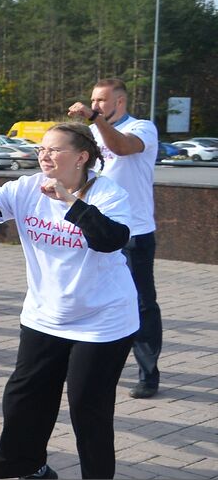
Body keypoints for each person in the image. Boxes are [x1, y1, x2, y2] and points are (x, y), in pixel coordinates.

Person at [0, 123, 136, 480]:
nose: (44, 156)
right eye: (41, 149)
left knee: (88, 409)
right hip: (45, 316)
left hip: (103, 321)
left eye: (54, 150)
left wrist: (70, 202)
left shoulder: (108, 194)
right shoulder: (29, 187)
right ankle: (34, 470)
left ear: (81, 156)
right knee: (24, 398)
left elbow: (111, 239)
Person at [68, 78, 162, 399]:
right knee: (89, 295)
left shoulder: (143, 128)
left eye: (100, 101)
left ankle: (148, 373)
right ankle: (90, 363)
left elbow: (122, 147)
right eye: (93, 101)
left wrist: (93, 120)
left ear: (119, 102)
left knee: (141, 303)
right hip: (95, 229)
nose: (94, 107)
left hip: (133, 232)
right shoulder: (93, 132)